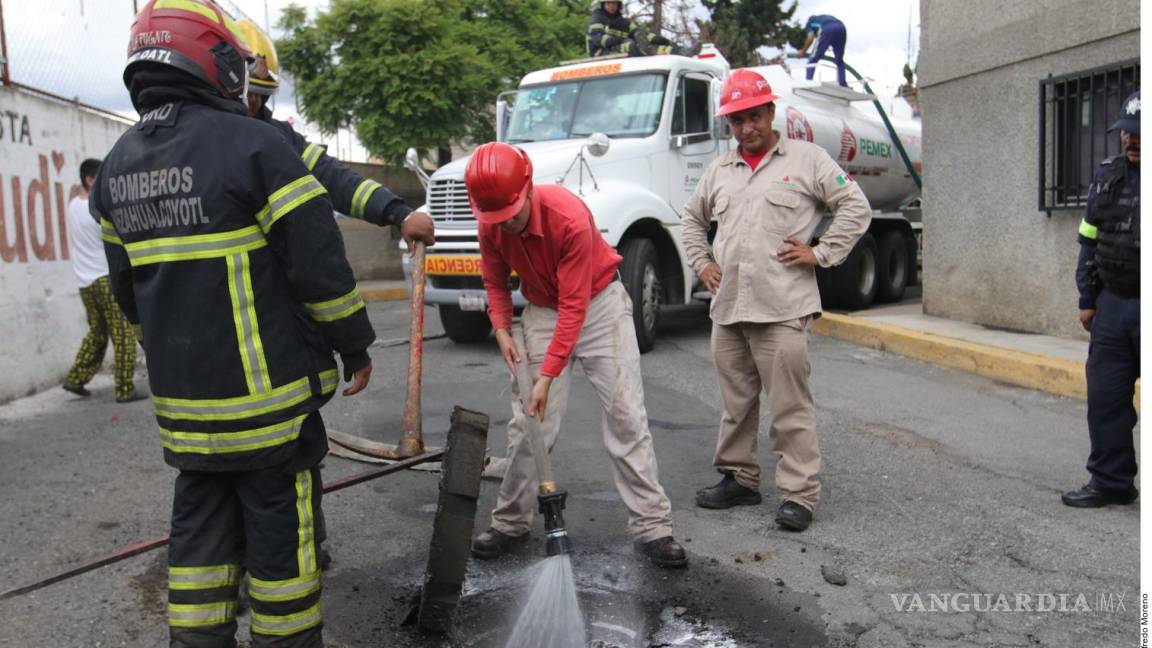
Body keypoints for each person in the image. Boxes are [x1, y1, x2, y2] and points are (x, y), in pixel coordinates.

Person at [93, 1, 376, 644]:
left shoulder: (114, 167)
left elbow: (129, 296)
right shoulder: (258, 144)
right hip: (269, 409)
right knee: (283, 564)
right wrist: (353, 344)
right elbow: (317, 264)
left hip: (188, 416)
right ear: (210, 61)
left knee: (198, 546)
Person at [465, 142, 686, 568]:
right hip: (544, 311)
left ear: (527, 189)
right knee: (530, 423)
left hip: (599, 305)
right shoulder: (491, 224)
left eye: (511, 215)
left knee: (626, 415)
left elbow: (575, 307)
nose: (505, 226)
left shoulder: (568, 216)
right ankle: (510, 522)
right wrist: (501, 329)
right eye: (496, 219)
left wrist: (546, 375)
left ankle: (653, 527)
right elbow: (494, 283)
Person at [682, 70, 870, 532]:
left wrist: (821, 252)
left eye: (753, 117)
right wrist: (702, 263)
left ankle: (799, 494)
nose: (746, 128)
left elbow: (856, 207)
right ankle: (740, 479)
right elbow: (691, 220)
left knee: (790, 406)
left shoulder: (809, 160)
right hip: (729, 307)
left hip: (783, 306)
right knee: (736, 403)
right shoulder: (720, 169)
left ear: (770, 112)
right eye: (736, 121)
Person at [235, 20, 435, 247]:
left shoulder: (281, 138)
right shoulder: (199, 139)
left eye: (260, 93)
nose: (253, 101)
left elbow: (334, 178)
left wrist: (399, 213)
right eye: (246, 92)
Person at [1063, 90, 1141, 508]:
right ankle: (1112, 481)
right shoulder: (1108, 174)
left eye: (1140, 133)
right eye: (1127, 133)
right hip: (1113, 304)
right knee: (1106, 398)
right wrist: (1086, 297)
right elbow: (1089, 239)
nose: (1132, 140)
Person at [62, 157, 141, 403]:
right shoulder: (95, 212)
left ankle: (76, 378)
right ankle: (125, 389)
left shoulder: (73, 205)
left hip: (84, 282)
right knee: (124, 336)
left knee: (97, 333)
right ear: (89, 180)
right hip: (104, 279)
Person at [586, 0, 695, 58]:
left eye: (614, 3)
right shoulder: (598, 18)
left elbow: (641, 34)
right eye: (608, 3)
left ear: (618, 5)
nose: (611, 5)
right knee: (632, 46)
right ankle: (671, 51)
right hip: (600, 53)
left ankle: (679, 51)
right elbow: (598, 39)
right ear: (603, 4)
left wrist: (662, 40)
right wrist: (621, 40)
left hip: (617, 48)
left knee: (649, 44)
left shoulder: (623, 22)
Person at [795, 14, 848, 87]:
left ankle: (808, 82)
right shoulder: (823, 18)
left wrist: (803, 51)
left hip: (827, 28)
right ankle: (843, 84)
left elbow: (810, 37)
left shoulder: (810, 23)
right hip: (841, 28)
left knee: (812, 60)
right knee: (839, 61)